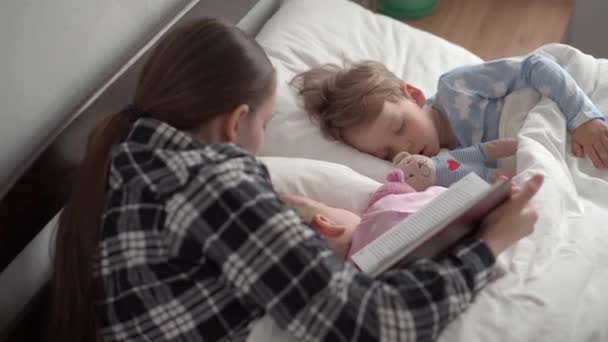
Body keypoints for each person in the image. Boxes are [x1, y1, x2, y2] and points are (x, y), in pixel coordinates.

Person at [50, 18, 543, 342]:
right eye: (265, 126)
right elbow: (377, 323)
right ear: (234, 122)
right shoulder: (211, 187)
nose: (261, 144)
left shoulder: (136, 165)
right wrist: (489, 247)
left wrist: (281, 209)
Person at [291, 55, 608, 169]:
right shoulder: (444, 164)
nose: (404, 148)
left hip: (568, 105)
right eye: (387, 153)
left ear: (413, 96)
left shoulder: (455, 89)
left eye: (400, 126)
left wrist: (584, 117)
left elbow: (535, 67)